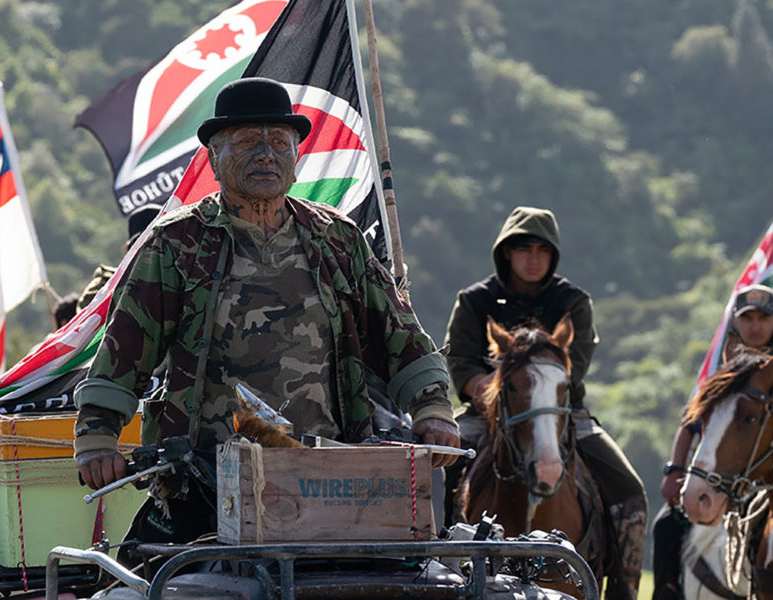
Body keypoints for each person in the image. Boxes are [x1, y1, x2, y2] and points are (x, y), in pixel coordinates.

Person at [72, 77, 459, 559]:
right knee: (148, 580)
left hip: (330, 481)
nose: (265, 155)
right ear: (214, 158)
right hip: (204, 480)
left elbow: (400, 335)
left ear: (296, 157)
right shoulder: (176, 244)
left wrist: (432, 410)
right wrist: (98, 435)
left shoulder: (337, 239)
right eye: (246, 142)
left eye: (279, 142)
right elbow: (126, 347)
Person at [443, 206, 645, 600]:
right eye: (523, 248)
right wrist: (485, 386)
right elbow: (460, 359)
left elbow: (576, 365)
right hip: (486, 412)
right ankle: (427, 566)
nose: (533, 258)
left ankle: (624, 587)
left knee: (629, 489)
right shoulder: (474, 300)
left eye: (542, 249)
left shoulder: (573, 302)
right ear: (506, 252)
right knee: (432, 472)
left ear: (553, 254)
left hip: (561, 414)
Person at [651, 282, 773, 600]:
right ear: (736, 322)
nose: (755, 326)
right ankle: (666, 591)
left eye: (764, 318)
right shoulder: (725, 369)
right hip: (726, 475)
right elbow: (691, 423)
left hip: (758, 478)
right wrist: (675, 470)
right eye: (748, 318)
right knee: (666, 525)